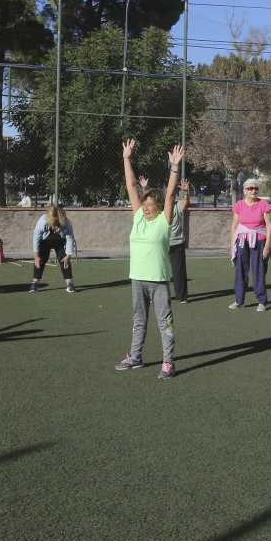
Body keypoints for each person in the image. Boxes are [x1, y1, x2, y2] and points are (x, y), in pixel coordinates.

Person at [115, 139, 183, 380]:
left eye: (149, 204)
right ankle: (135, 356)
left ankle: (168, 362)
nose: (145, 207)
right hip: (137, 280)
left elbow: (171, 193)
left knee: (165, 323)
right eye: (144, 204)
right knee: (138, 320)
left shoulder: (164, 222)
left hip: (158, 281)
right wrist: (126, 158)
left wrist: (174, 167)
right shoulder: (138, 218)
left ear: (157, 206)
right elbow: (131, 186)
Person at [229, 178, 271, 311]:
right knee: (240, 270)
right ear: (244, 191)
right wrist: (232, 245)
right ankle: (239, 300)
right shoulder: (239, 205)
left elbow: (269, 225)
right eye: (250, 188)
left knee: (258, 270)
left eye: (255, 188)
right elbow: (234, 225)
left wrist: (268, 246)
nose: (253, 191)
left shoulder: (263, 205)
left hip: (259, 240)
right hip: (242, 240)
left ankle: (261, 301)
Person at [30, 205, 77, 293]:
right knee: (40, 259)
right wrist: (36, 256)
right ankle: (35, 283)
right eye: (54, 223)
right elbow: (36, 237)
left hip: (60, 241)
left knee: (64, 259)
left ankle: (70, 284)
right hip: (45, 240)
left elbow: (70, 237)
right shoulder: (43, 221)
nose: (56, 227)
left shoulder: (66, 222)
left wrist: (68, 255)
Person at [169, 180, 191, 303]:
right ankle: (155, 295)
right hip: (160, 244)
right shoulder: (157, 208)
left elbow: (186, 203)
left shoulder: (176, 206)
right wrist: (145, 189)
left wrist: (185, 191)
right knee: (158, 271)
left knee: (179, 271)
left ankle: (182, 296)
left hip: (177, 243)